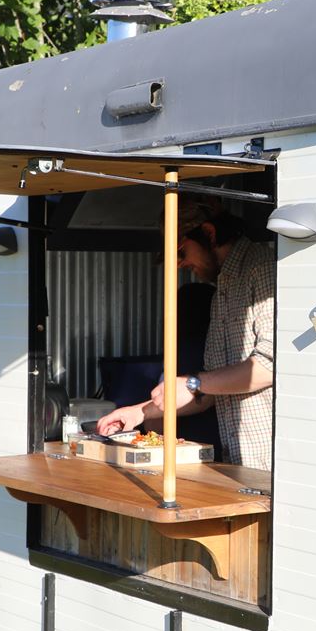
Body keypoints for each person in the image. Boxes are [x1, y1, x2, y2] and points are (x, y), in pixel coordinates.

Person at [96, 200, 275, 470]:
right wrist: (138, 412)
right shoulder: (221, 292)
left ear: (209, 234)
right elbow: (211, 390)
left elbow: (268, 366)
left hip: (272, 466)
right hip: (240, 463)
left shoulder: (261, 269)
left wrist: (193, 382)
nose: (179, 264)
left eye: (180, 251)